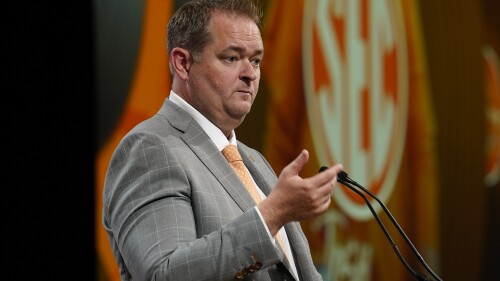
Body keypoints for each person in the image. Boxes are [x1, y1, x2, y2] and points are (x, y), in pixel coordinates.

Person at [102, 0, 343, 280]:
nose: (250, 74)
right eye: (231, 57)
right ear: (183, 63)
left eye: (255, 60)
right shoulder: (150, 149)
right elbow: (164, 273)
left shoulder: (254, 160)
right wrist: (274, 212)